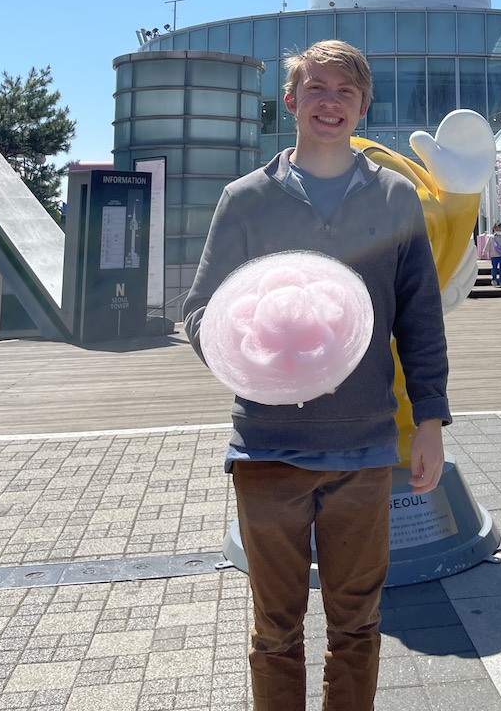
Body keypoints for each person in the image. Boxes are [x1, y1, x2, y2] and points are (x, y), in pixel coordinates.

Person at [182, 40, 449, 711]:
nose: (331, 102)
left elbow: (419, 318)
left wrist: (431, 422)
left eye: (346, 92)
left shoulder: (395, 195)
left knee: (357, 627)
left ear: (362, 107)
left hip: (364, 449)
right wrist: (253, 350)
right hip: (267, 448)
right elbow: (199, 313)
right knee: (274, 631)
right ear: (292, 101)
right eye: (317, 88)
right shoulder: (246, 199)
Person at [487, 221, 501, 287]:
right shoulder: (491, 237)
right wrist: (484, 251)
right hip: (494, 256)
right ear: (494, 229)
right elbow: (488, 245)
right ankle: (494, 279)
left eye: (499, 229)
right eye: (497, 229)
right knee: (494, 268)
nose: (498, 230)